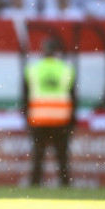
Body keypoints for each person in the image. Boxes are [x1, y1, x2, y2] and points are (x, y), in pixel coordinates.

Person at [22, 37, 77, 187]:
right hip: (61, 118)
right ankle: (65, 184)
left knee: (38, 155)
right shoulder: (66, 69)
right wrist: (72, 119)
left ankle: (34, 184)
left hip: (38, 118)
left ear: (42, 50)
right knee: (62, 156)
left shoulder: (32, 69)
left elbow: (25, 96)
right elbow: (73, 96)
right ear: (56, 51)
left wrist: (25, 116)